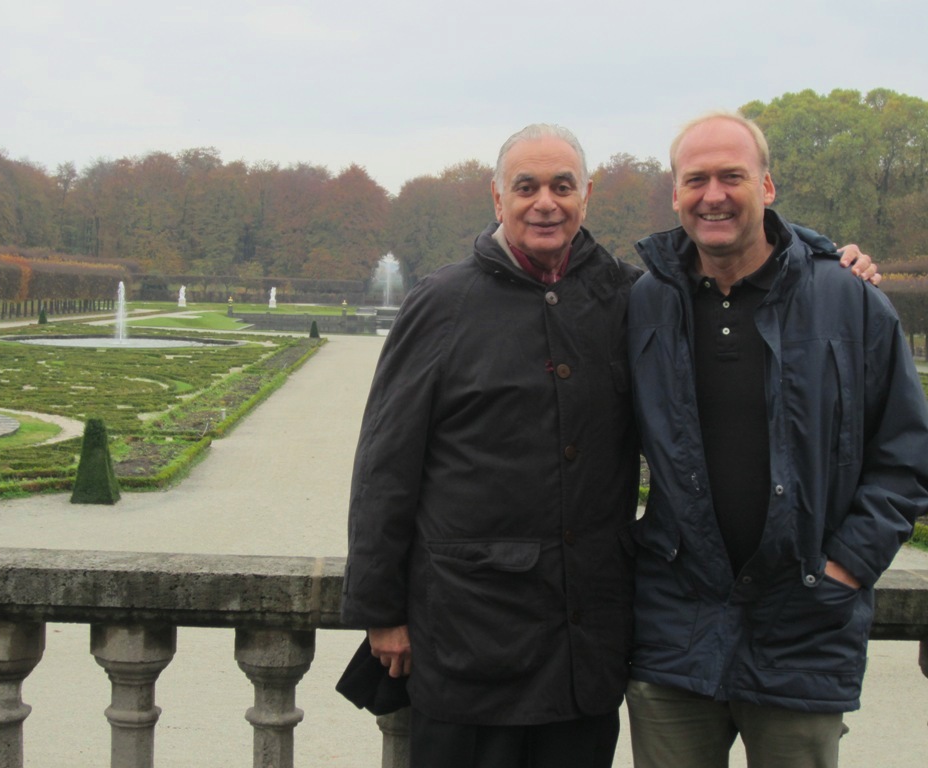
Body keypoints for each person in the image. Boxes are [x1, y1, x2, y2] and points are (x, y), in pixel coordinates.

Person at [341, 123, 877, 768]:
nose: (546, 202)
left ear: (586, 196)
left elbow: (741, 261)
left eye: (563, 186)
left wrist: (825, 257)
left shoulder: (629, 295)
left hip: (585, 640)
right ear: (497, 198)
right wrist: (382, 611)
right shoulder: (443, 301)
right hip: (468, 632)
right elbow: (385, 466)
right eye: (527, 187)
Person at [625, 111, 928, 768]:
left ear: (767, 185)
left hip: (806, 628)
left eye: (732, 175)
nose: (713, 194)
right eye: (695, 179)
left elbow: (905, 458)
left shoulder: (851, 302)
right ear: (675, 194)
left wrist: (846, 566)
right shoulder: (643, 304)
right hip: (676, 627)